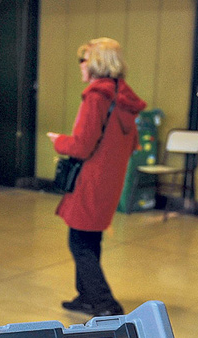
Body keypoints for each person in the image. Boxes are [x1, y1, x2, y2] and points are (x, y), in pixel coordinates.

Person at [47, 37, 146, 317]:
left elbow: (82, 145)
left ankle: (104, 304)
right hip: (109, 180)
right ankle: (86, 296)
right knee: (90, 239)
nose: (81, 65)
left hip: (90, 180)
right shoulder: (122, 96)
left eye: (85, 59)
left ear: (97, 63)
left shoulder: (95, 96)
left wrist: (59, 141)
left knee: (79, 242)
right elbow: (130, 144)